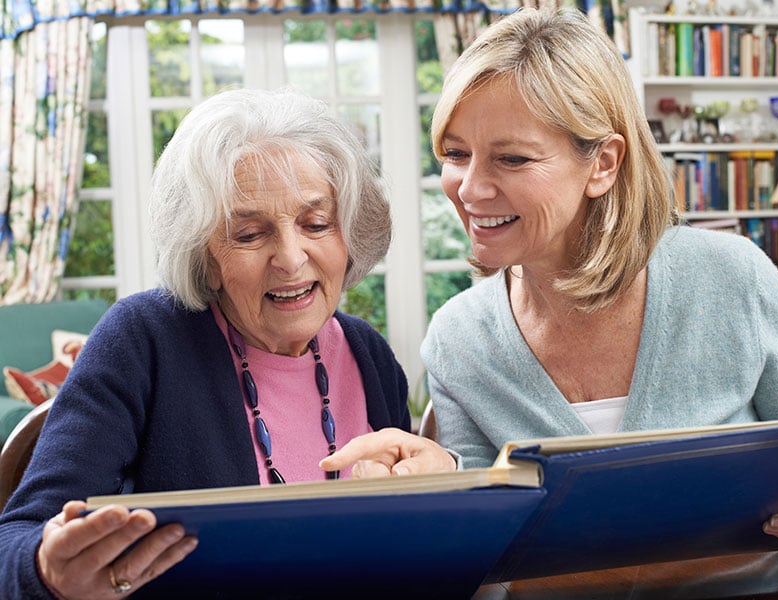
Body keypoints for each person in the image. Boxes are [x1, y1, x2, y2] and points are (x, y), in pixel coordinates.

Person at [0, 87, 449, 599]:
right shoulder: (144, 341)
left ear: (348, 234)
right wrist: (50, 574)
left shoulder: (368, 355)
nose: (291, 258)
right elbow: (16, 540)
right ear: (205, 255)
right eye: (249, 234)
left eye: (316, 223)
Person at [414, 6, 778, 597]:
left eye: (511, 157)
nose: (468, 189)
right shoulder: (458, 338)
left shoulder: (732, 279)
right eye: (456, 153)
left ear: (602, 163)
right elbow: (473, 565)